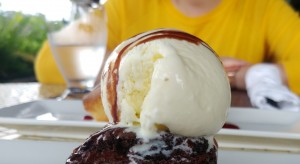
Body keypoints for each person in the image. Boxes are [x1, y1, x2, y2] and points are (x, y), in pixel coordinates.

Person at [35, 0, 300, 102]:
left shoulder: (264, 7)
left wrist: (243, 75)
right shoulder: (127, 5)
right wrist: (162, 67)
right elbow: (49, 64)